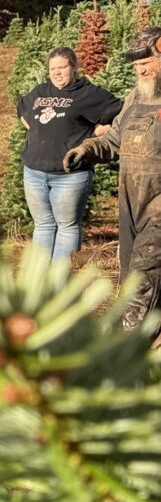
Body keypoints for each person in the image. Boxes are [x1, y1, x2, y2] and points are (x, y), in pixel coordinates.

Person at [65, 27, 161, 340]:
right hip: (131, 205)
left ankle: (125, 350)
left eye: (146, 62)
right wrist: (88, 149)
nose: (141, 70)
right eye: (136, 66)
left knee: (145, 277)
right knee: (132, 273)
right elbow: (115, 139)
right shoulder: (136, 98)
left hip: (158, 211)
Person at [17, 47, 121, 262]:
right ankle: (39, 282)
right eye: (52, 68)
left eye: (62, 67)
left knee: (67, 226)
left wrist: (94, 133)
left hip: (70, 176)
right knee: (43, 225)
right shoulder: (41, 91)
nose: (57, 72)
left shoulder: (88, 93)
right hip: (34, 173)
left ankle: (60, 283)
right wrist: (34, 129)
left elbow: (121, 115)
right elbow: (22, 109)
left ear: (73, 67)